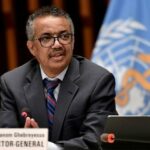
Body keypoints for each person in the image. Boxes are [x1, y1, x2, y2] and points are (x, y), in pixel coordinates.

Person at [0, 6, 117, 150]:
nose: (57, 44)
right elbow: (6, 139)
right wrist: (25, 141)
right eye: (46, 38)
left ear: (73, 41)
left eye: (64, 36)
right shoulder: (11, 83)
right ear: (32, 48)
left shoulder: (98, 81)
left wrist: (46, 147)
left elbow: (98, 139)